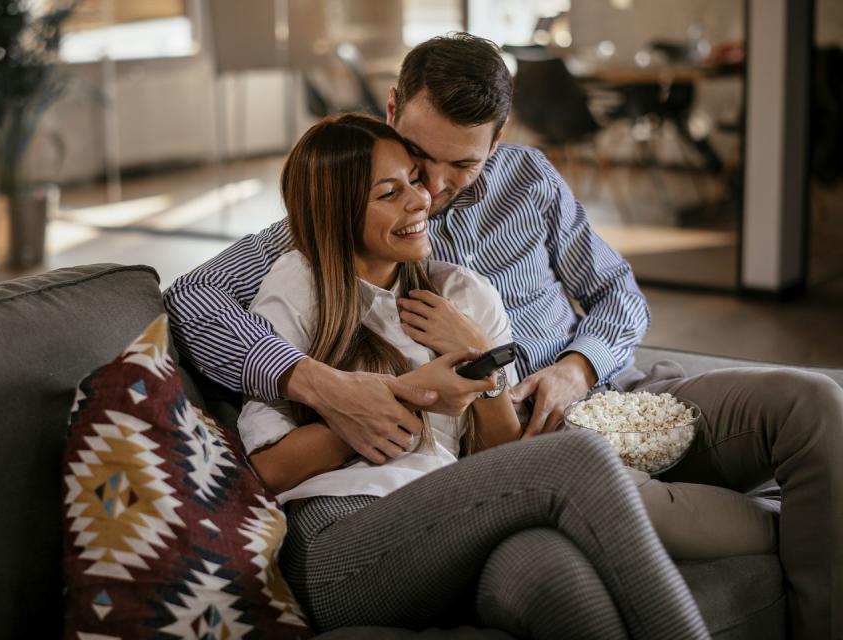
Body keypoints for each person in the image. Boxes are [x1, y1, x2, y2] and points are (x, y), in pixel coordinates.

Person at [165, 33, 842, 638]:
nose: (428, 189)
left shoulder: (530, 185)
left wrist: (578, 365)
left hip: (598, 402)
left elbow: (619, 294)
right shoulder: (330, 228)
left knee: (815, 404)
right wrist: (325, 385)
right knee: (556, 550)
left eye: (460, 165)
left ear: (499, 136)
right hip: (499, 461)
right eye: (417, 161)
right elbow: (191, 296)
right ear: (394, 110)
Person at [236, 112, 708, 638]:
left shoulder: (463, 294)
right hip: (337, 540)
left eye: (414, 181)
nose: (420, 200)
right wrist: (408, 398)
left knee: (549, 570)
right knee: (581, 455)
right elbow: (271, 470)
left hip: (446, 518)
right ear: (339, 212)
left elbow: (499, 453)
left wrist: (483, 362)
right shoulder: (299, 286)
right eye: (389, 193)